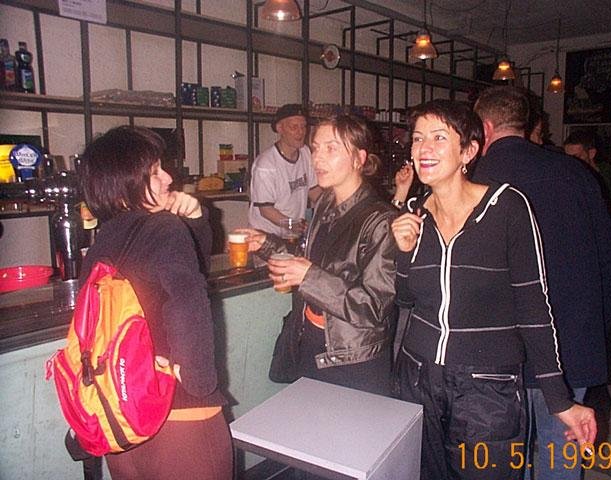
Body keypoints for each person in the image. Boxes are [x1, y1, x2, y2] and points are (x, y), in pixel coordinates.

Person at [391, 99, 597, 480]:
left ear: (468, 151)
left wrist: (558, 399)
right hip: (418, 379)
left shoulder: (506, 207)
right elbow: (405, 298)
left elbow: (534, 309)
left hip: (487, 389)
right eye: (418, 138)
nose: (424, 148)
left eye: (438, 137)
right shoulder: (415, 212)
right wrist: (403, 254)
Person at [473, 86, 611, 480]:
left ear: (484, 127)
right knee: (561, 457)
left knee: (510, 458)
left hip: (500, 353)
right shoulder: (576, 173)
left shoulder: (475, 179)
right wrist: (594, 332)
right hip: (572, 345)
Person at [79, 126, 232, 480]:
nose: (168, 178)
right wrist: (198, 380)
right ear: (124, 184)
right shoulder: (163, 228)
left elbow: (177, 274)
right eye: (154, 172)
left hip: (121, 419)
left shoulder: (103, 240)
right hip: (177, 416)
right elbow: (187, 297)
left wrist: (195, 220)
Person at [241, 114, 398, 395]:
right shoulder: (325, 203)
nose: (317, 158)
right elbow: (310, 262)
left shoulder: (380, 220)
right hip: (313, 343)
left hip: (352, 359)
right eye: (315, 149)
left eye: (331, 148)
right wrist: (266, 243)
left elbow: (374, 307)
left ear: (359, 158)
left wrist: (309, 277)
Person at [248, 103, 322, 235]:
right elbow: (265, 209)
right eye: (294, 127)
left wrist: (333, 205)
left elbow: (313, 190)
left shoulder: (305, 153)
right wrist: (291, 224)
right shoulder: (265, 165)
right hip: (265, 235)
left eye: (303, 126)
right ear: (280, 128)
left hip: (290, 233)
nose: (301, 132)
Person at [563, 129, 611, 239]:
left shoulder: (608, 177)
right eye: (568, 158)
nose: (571, 163)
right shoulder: (568, 176)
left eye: (577, 157)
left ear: (591, 153)